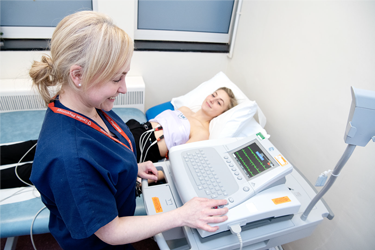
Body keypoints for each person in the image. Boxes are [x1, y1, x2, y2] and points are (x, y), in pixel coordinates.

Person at [20, 11, 228, 249]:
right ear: (78, 75)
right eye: (117, 79)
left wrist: (131, 169)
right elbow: (112, 232)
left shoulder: (88, 104)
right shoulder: (71, 159)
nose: (124, 89)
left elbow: (105, 154)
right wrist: (182, 215)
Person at [0, 87, 238, 189]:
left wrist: (149, 173)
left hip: (144, 149)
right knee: (55, 144)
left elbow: (179, 161)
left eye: (220, 102)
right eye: (214, 95)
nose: (212, 100)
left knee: (66, 161)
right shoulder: (183, 109)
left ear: (222, 113)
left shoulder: (203, 133)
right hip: (129, 130)